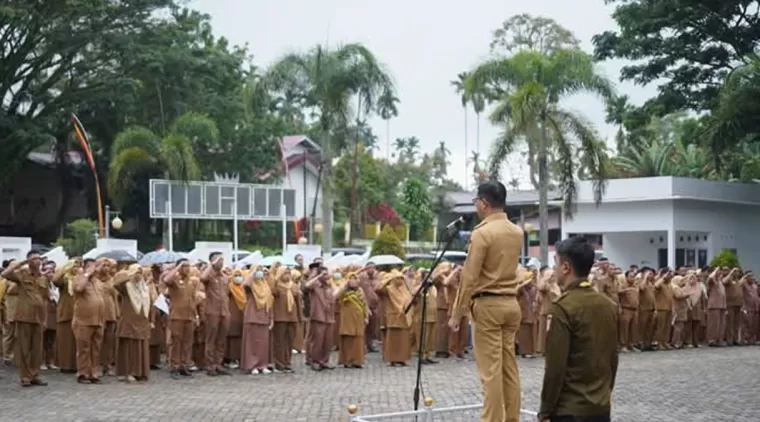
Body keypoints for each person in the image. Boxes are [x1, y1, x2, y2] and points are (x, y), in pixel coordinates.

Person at [448, 180, 523, 422]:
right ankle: (511, 418)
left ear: (484, 203)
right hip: (511, 303)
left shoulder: (482, 233)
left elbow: (469, 278)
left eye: (476, 201)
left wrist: (457, 313)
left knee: (491, 373)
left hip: (488, 305)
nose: (476, 205)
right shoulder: (516, 231)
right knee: (508, 369)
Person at [537, 237, 619, 422]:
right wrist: (603, 394)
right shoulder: (608, 305)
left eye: (556, 263)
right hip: (600, 408)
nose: (554, 269)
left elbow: (555, 367)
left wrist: (545, 410)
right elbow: (612, 358)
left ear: (566, 268)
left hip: (570, 409)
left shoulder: (563, 307)